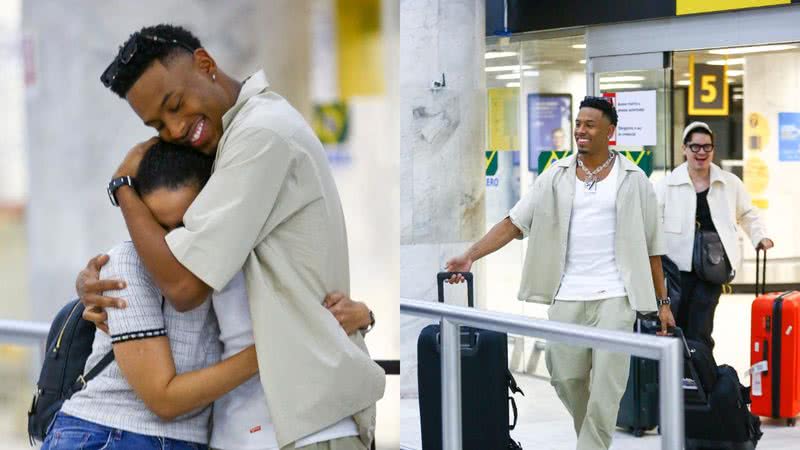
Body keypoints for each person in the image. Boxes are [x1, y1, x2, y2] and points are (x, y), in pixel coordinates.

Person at [77, 24, 384, 449]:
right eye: (158, 124)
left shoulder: (261, 134)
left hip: (303, 428)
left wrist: (122, 187)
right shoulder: (224, 148)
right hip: (245, 428)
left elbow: (185, 285)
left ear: (205, 64)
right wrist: (99, 282)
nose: (176, 127)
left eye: (176, 104)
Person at [446, 96, 675, 450]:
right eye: (578, 124)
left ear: (610, 132)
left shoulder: (634, 179)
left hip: (617, 295)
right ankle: (594, 441)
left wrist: (662, 302)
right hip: (567, 293)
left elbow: (652, 249)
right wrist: (470, 256)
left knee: (607, 388)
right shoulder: (556, 176)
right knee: (565, 378)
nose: (581, 131)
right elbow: (514, 223)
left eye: (590, 125)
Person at [44, 143, 254, 450]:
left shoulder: (223, 262)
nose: (171, 241)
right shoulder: (128, 263)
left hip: (179, 440)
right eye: (159, 226)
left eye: (185, 224)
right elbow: (163, 398)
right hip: (109, 434)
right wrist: (266, 355)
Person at [655, 121, 772, 350]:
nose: (701, 152)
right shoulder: (667, 185)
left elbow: (748, 213)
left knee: (701, 327)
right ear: (684, 149)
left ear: (713, 150)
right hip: (677, 270)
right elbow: (654, 224)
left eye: (707, 147)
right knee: (675, 325)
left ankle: (701, 378)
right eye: (695, 147)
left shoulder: (729, 183)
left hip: (713, 266)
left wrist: (759, 236)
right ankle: (680, 378)